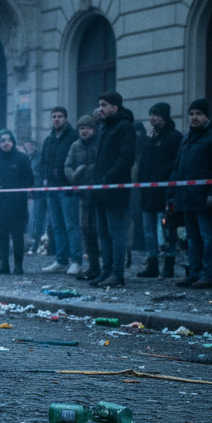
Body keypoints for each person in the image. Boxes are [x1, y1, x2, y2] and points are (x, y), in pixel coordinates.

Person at [170, 98, 212, 288]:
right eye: (192, 114)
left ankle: (208, 274)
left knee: (208, 238)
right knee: (192, 238)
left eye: (198, 114)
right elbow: (178, 165)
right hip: (187, 196)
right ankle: (194, 273)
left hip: (204, 196)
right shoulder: (187, 138)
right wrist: (174, 191)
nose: (194, 118)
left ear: (206, 116)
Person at [90, 92, 136, 287]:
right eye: (100, 105)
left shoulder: (124, 127)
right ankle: (106, 270)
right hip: (101, 189)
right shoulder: (105, 127)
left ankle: (117, 274)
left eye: (104, 105)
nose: (100, 108)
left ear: (115, 107)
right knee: (103, 233)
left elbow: (126, 158)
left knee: (116, 233)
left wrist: (108, 177)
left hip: (115, 189)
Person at [136, 102, 183, 278]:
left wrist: (165, 180)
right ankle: (152, 263)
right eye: (151, 114)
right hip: (148, 192)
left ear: (164, 116)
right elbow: (143, 163)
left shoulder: (174, 137)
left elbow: (175, 163)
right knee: (148, 229)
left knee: (167, 229)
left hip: (164, 191)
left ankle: (169, 264)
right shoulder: (151, 138)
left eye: (155, 114)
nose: (152, 118)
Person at [0, 130, 33, 274]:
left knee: (17, 236)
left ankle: (18, 265)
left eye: (9, 140)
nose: (6, 143)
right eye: (3, 140)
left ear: (13, 142)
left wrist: (18, 187)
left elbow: (29, 178)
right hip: (0, 203)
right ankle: (3, 264)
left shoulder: (21, 158)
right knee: (1, 235)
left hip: (17, 204)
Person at [40, 107, 81, 275]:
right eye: (54, 117)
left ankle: (76, 261)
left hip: (67, 188)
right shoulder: (49, 139)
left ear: (66, 118)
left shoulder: (73, 137)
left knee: (71, 226)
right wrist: (45, 177)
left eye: (59, 116)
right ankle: (61, 260)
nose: (56, 119)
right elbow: (43, 161)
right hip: (52, 187)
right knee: (57, 226)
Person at [65, 115, 101, 280]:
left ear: (93, 129)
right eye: (81, 128)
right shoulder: (75, 146)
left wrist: (92, 170)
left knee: (101, 231)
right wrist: (74, 175)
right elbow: (67, 165)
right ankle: (92, 266)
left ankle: (104, 266)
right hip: (83, 195)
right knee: (86, 231)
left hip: (99, 193)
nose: (84, 131)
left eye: (87, 128)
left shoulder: (99, 143)